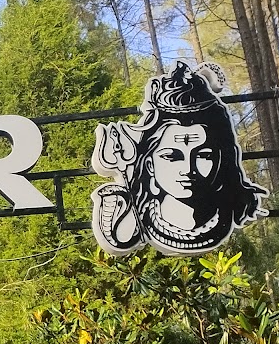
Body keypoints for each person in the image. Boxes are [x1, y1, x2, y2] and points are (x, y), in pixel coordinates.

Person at [91, 60, 267, 256]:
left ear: (221, 159)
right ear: (149, 164)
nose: (188, 169)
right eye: (171, 156)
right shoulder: (132, 220)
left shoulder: (230, 215)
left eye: (203, 155)